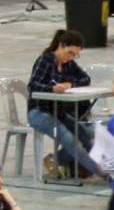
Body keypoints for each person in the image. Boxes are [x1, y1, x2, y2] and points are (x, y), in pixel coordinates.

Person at [27, 30, 101, 180]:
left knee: (87, 135)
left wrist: (70, 84)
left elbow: (85, 78)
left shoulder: (69, 64)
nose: (71, 57)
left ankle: (57, 160)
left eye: (75, 55)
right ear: (61, 45)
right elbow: (32, 85)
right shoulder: (45, 60)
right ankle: (104, 173)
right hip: (39, 111)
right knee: (69, 139)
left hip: (59, 112)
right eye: (69, 53)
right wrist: (51, 88)